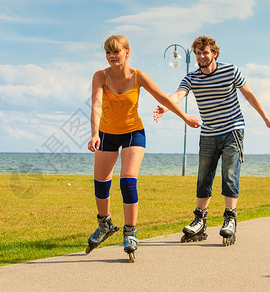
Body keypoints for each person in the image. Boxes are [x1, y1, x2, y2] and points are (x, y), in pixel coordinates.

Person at [153, 35, 270, 246]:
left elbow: (249, 95)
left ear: (214, 53)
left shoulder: (230, 70)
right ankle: (200, 220)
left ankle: (230, 218)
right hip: (209, 132)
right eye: (198, 53)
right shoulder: (192, 78)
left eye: (205, 52)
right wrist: (165, 107)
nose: (202, 56)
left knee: (229, 173)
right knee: (204, 176)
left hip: (233, 129)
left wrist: (266, 118)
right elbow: (178, 94)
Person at [85, 35, 201, 260]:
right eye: (108, 53)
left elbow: (163, 98)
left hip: (132, 133)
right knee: (100, 183)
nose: (111, 56)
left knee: (127, 180)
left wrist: (185, 117)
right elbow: (96, 105)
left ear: (127, 52)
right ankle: (105, 224)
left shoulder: (139, 76)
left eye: (116, 52)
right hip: (106, 135)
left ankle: (130, 231)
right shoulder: (100, 76)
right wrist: (93, 134)